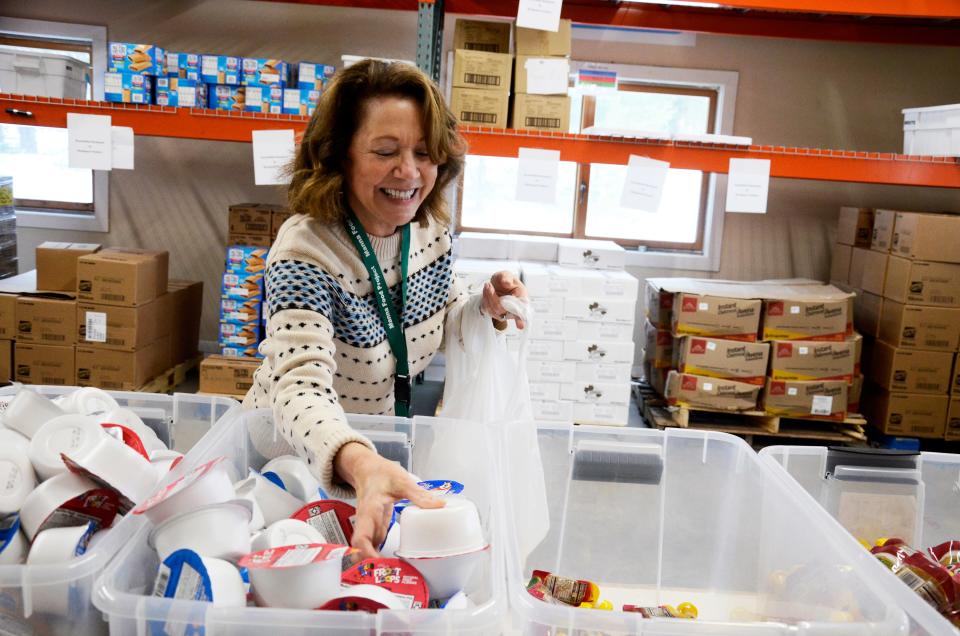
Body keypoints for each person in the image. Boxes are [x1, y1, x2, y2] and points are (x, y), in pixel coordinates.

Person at [242, 59, 527, 558]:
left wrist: (483, 310)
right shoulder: (305, 253)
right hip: (292, 467)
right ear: (340, 157)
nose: (409, 172)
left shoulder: (429, 231)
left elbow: (435, 315)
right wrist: (358, 462)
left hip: (375, 453)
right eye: (385, 151)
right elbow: (300, 386)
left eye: (424, 152)